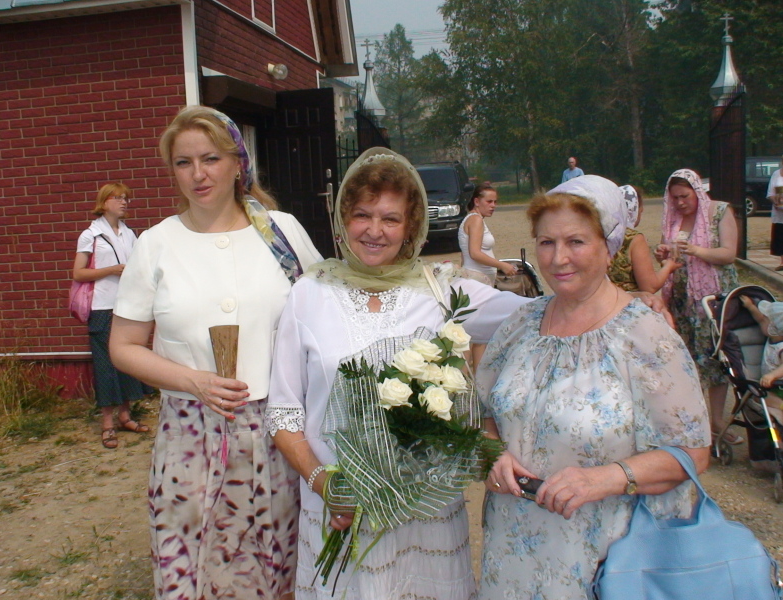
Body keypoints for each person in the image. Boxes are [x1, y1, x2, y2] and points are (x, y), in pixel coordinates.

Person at [265, 147, 529, 600]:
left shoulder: (442, 291)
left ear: (411, 227)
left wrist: (620, 301)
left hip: (422, 516)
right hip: (340, 507)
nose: (374, 231)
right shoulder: (308, 293)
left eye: (391, 219)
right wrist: (324, 482)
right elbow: (284, 412)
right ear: (343, 219)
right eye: (362, 215)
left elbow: (535, 316)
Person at [109, 106, 322, 600]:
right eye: (183, 163)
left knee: (278, 567)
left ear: (237, 163)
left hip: (280, 434)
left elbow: (325, 316)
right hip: (190, 437)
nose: (198, 174)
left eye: (210, 159)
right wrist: (194, 381)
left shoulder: (282, 232)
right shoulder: (156, 244)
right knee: (195, 569)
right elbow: (122, 346)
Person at [476, 174, 711, 600]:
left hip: (608, 562)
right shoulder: (521, 324)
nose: (558, 258)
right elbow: (486, 414)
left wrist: (604, 479)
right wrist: (492, 453)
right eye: (546, 242)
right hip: (513, 554)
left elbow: (691, 453)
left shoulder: (645, 336)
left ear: (610, 247)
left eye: (576, 242)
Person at [655, 169, 739, 445]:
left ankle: (717, 421)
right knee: (686, 360)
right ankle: (694, 422)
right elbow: (671, 254)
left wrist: (696, 250)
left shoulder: (719, 212)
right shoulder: (674, 218)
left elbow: (729, 253)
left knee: (714, 359)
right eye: (675, 198)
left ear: (697, 191)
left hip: (711, 299)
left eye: (684, 196)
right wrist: (663, 254)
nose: (680, 203)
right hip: (681, 300)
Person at [72, 182, 149, 449]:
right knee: (105, 366)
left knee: (126, 360)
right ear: (104, 202)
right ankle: (107, 424)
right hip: (102, 307)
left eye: (126, 198)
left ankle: (125, 416)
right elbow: (78, 273)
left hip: (126, 305)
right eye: (118, 198)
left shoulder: (130, 234)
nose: (124, 202)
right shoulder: (90, 235)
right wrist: (111, 270)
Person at [608, 184, 681, 292]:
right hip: (627, 299)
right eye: (640, 211)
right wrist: (668, 266)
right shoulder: (633, 238)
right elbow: (650, 286)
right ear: (634, 209)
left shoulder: (602, 233)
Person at [740, 296, 783, 426]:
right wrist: (751, 307)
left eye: (765, 321)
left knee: (759, 396)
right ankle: (782, 409)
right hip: (774, 385)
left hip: (780, 386)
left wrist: (772, 375)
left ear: (774, 329)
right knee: (762, 395)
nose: (761, 321)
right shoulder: (774, 337)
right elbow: (761, 318)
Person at [458, 183, 517, 286]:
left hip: (476, 277)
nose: (493, 205)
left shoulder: (471, 218)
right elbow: (475, 253)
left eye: (495, 202)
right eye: (489, 201)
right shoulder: (476, 220)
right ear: (477, 201)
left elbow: (464, 254)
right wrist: (502, 265)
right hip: (478, 278)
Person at [767, 151, 783, 271]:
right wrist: (775, 201)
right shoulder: (776, 174)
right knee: (781, 235)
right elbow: (770, 193)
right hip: (780, 212)